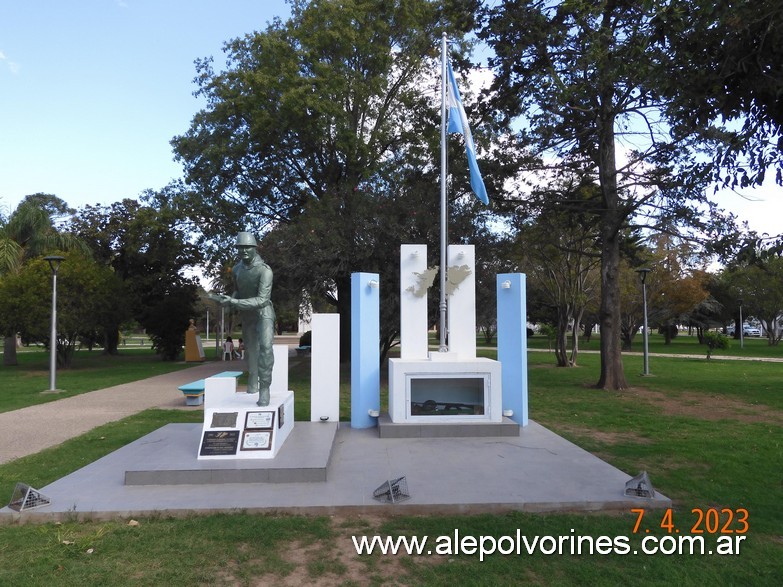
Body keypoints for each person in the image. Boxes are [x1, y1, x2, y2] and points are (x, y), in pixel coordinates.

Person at [210, 232, 275, 406]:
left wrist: (235, 301)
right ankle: (253, 382)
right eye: (240, 247)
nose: (243, 250)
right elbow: (238, 291)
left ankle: (265, 389)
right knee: (251, 352)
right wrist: (228, 301)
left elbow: (262, 300)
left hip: (264, 313)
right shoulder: (237, 269)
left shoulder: (264, 271)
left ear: (254, 248)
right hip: (248, 315)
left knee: (266, 348)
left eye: (247, 247)